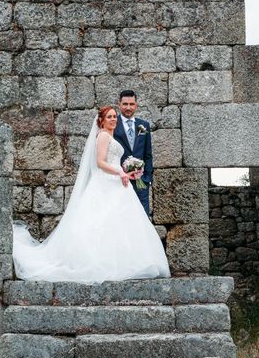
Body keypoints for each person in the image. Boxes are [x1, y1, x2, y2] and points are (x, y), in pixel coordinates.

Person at [12, 106, 170, 283]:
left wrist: (127, 172)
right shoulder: (102, 135)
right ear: (101, 120)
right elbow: (100, 163)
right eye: (109, 117)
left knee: (118, 221)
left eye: (114, 117)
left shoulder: (109, 135)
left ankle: (118, 260)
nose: (113, 119)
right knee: (100, 221)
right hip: (106, 182)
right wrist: (120, 173)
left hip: (117, 181)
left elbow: (113, 162)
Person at [113, 90, 153, 217]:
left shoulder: (144, 125)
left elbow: (148, 154)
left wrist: (147, 178)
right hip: (120, 181)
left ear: (136, 105)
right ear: (119, 105)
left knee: (143, 218)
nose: (128, 107)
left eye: (131, 104)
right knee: (122, 218)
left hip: (141, 182)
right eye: (125, 104)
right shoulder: (113, 124)